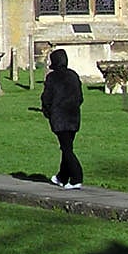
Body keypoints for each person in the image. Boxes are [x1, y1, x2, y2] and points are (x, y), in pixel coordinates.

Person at [40, 48, 84, 189]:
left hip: (59, 117)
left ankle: (77, 177)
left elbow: (46, 98)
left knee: (66, 148)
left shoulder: (52, 78)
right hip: (73, 115)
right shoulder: (73, 76)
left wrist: (48, 112)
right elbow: (80, 97)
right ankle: (62, 177)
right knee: (67, 146)